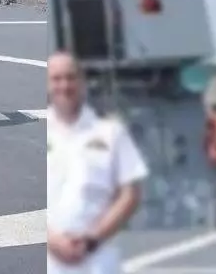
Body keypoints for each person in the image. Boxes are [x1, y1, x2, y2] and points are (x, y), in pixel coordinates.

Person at [47, 51, 148, 273]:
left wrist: (91, 239)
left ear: (82, 82)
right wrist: (52, 241)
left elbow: (131, 193)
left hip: (98, 262)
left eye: (71, 77)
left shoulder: (111, 133)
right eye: (56, 78)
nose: (64, 85)